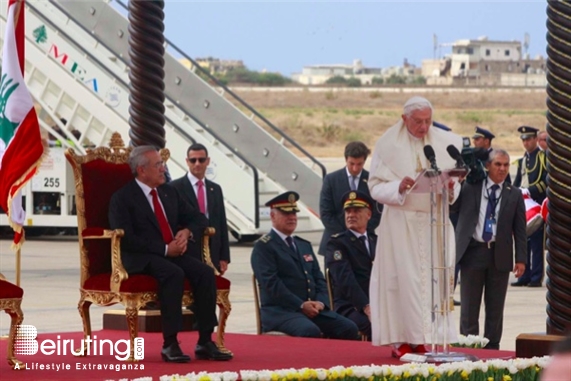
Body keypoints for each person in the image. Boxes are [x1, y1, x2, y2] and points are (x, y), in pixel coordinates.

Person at [108, 146, 232, 363]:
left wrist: (186, 232)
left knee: (204, 272)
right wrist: (165, 249)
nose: (163, 169)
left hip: (171, 252)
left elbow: (199, 219)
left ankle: (205, 340)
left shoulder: (169, 192)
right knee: (173, 273)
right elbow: (127, 238)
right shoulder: (123, 198)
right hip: (141, 257)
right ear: (142, 170)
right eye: (158, 165)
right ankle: (170, 343)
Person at [368, 96, 462, 358]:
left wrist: (452, 187)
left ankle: (425, 338)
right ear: (404, 119)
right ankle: (402, 340)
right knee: (403, 282)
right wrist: (397, 187)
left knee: (432, 284)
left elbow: (452, 180)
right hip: (401, 223)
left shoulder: (442, 144)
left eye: (428, 121)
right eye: (418, 121)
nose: (424, 127)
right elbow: (374, 186)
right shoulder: (387, 146)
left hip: (434, 224)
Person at [251, 191, 359, 340]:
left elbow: (319, 279)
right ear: (272, 216)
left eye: (294, 213)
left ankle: (338, 363)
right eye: (286, 213)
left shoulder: (303, 245)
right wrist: (301, 305)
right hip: (281, 312)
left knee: (349, 328)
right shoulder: (264, 247)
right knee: (309, 331)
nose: (292, 217)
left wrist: (320, 303)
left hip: (311, 310)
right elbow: (272, 284)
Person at [453, 148, 526, 350]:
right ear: (487, 166)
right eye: (498, 164)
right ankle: (469, 347)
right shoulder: (471, 187)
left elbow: (520, 230)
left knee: (495, 308)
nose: (502, 169)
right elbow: (452, 206)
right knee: (469, 307)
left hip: (499, 256)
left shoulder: (514, 194)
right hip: (473, 253)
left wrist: (521, 259)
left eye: (506, 165)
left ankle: (492, 349)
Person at [171, 143, 230, 274]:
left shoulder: (215, 189)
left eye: (201, 160)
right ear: (187, 161)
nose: (197, 163)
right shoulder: (175, 187)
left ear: (207, 161)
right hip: (189, 248)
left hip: (212, 249)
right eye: (193, 160)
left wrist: (224, 256)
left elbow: (221, 222)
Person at [324, 190, 376, 340]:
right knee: (377, 327)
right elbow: (345, 280)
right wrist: (366, 306)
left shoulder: (377, 241)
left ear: (369, 215)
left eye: (357, 211)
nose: (351, 215)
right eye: (348, 211)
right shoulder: (337, 243)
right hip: (351, 306)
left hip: (378, 303)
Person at [318, 141, 381, 255]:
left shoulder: (372, 180)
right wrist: (348, 235)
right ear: (346, 159)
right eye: (351, 163)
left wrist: (360, 232)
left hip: (363, 243)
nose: (355, 168)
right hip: (336, 242)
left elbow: (377, 213)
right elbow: (326, 214)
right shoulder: (331, 180)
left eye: (359, 164)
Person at [512, 126, 547, 288]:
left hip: (536, 204)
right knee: (522, 240)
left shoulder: (542, 157)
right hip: (523, 204)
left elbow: (546, 181)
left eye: (528, 139)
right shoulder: (522, 160)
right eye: (523, 140)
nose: (525, 143)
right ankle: (524, 275)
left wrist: (529, 191)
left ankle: (535, 276)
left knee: (536, 242)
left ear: (535, 139)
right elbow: (518, 181)